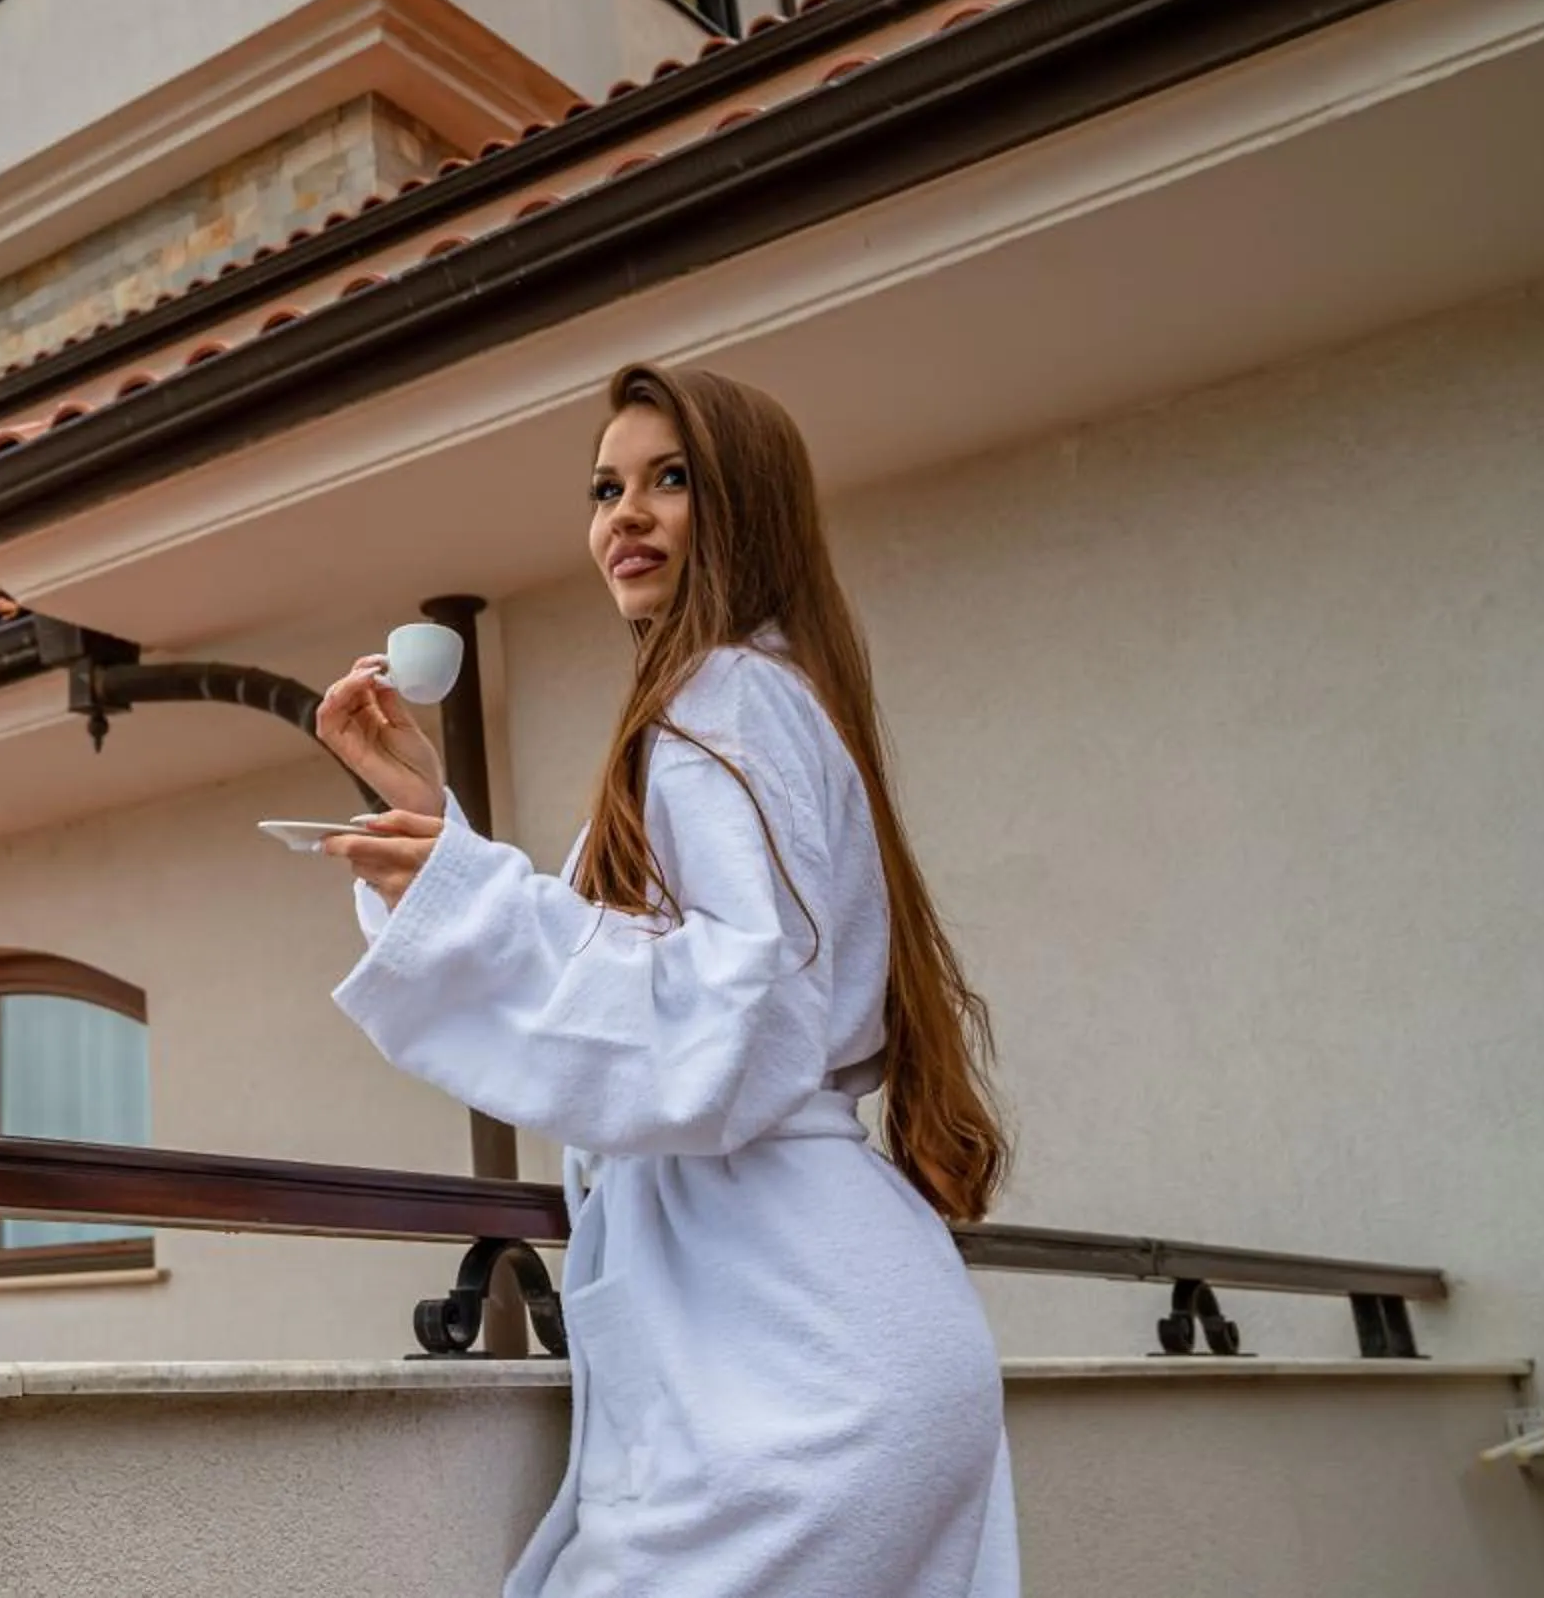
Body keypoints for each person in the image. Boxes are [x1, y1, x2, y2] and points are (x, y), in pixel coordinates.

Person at [316, 362, 1019, 1597]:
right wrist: (436, 828)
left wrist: (465, 894)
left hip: (792, 1361)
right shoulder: (772, 702)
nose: (623, 515)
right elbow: (671, 970)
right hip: (832, 1329)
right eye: (604, 487)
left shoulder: (722, 705)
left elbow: (726, 1017)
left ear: (744, 504)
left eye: (670, 480)